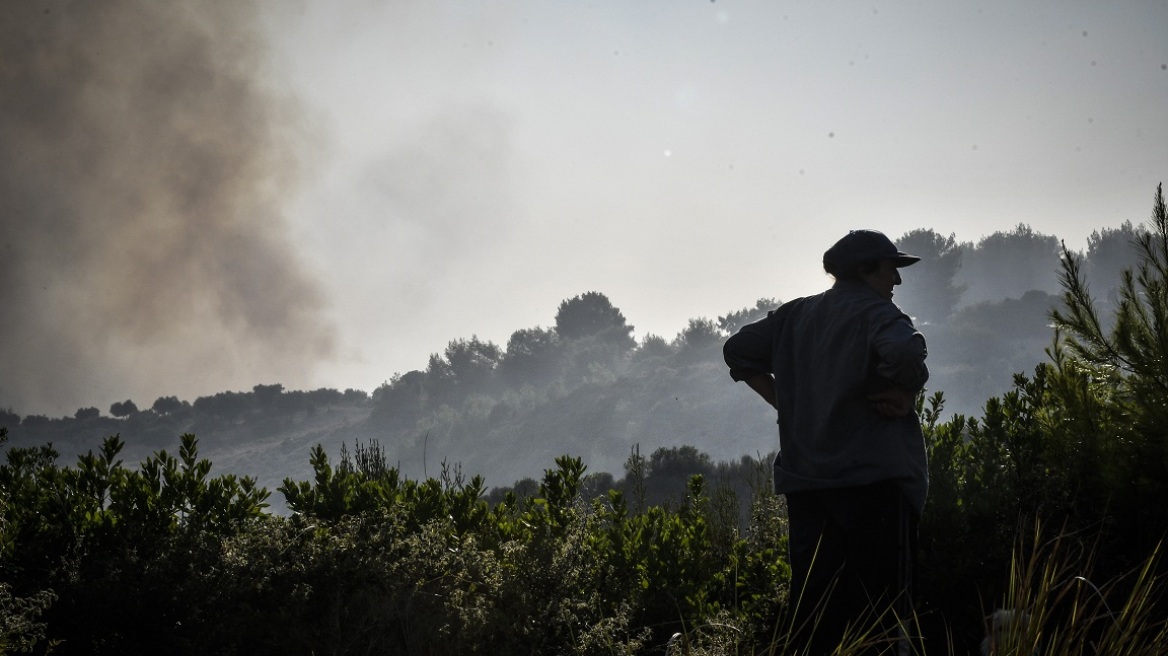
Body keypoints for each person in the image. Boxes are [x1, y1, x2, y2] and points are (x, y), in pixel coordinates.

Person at [723, 229, 929, 655]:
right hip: (876, 485)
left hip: (809, 487)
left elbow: (738, 349)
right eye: (891, 268)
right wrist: (906, 392)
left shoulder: (796, 316)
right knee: (882, 616)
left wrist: (785, 402)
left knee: (814, 616)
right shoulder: (879, 314)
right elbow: (906, 354)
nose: (897, 280)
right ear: (867, 270)